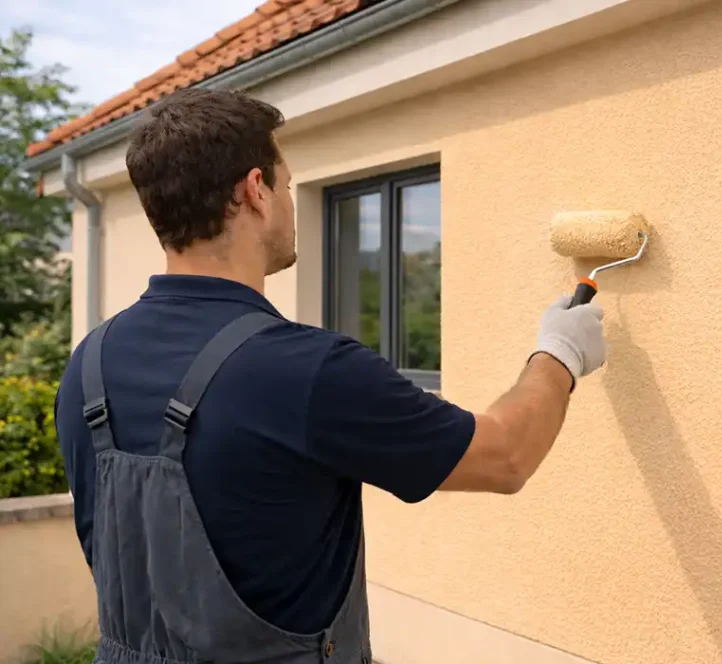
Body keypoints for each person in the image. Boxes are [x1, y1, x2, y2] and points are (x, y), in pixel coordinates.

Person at [54, 87, 606, 663]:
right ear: (256, 191)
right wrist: (559, 353)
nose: (291, 205)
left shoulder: (89, 365)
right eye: (288, 186)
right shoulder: (306, 370)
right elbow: (506, 455)